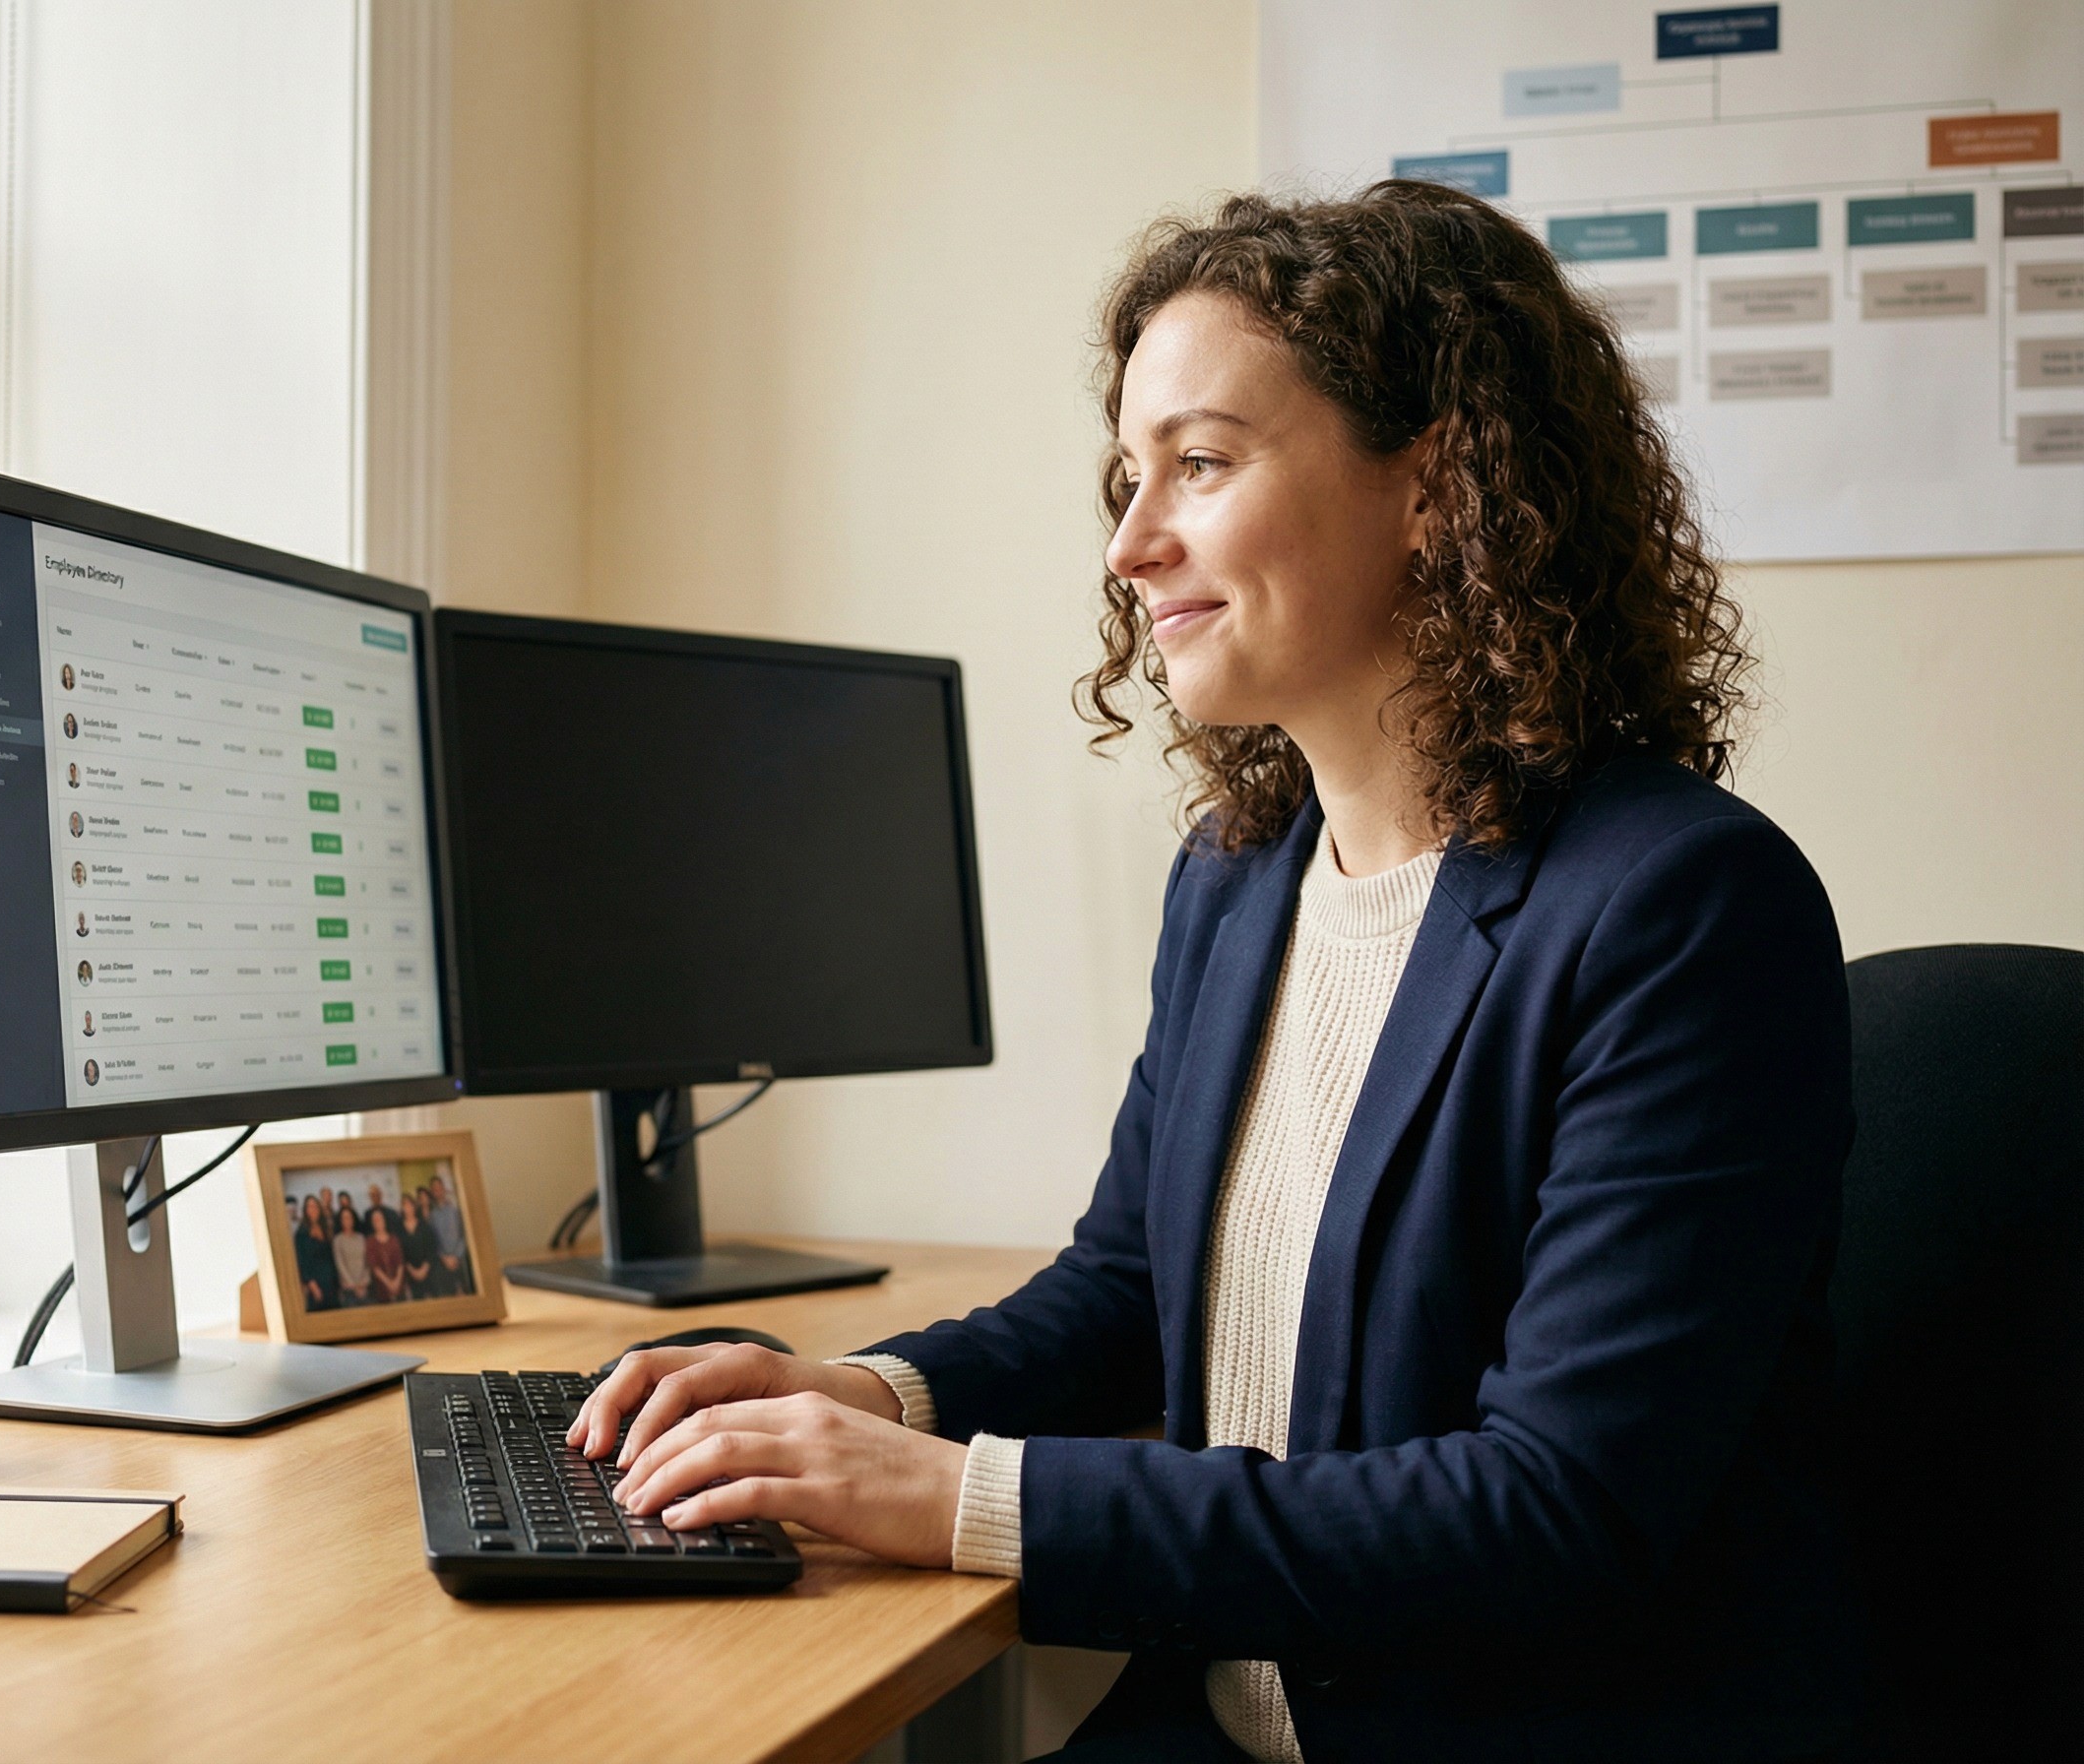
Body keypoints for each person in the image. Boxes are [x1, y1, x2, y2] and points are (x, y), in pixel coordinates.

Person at [571, 183, 1856, 1761]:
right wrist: (858, 1395)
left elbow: (1548, 1509)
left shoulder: (1683, 907)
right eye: (1127, 477)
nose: (1130, 542)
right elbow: (1126, 1294)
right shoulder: (1238, 882)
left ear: (1436, 481)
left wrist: (962, 1500)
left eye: (1198, 461)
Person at [425, 1178, 470, 1295]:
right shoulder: (432, 1216)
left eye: (439, 1188)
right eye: (434, 1189)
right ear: (432, 1192)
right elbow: (434, 1241)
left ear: (444, 1189)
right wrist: (444, 1258)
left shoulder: (455, 1210)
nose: (437, 1191)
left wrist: (456, 1256)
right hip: (443, 1262)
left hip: (460, 1260)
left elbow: (464, 1234)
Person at [294, 1195, 336, 1312]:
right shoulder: (301, 1233)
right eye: (309, 1207)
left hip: (330, 1280)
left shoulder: (326, 1229)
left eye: (315, 1206)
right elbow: (302, 1262)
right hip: (315, 1284)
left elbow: (331, 1257)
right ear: (305, 1210)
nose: (313, 1209)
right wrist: (313, 1286)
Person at [399, 1188, 438, 1300]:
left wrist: (424, 1269)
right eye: (404, 1205)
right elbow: (400, 1253)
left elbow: (431, 1248)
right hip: (411, 1275)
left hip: (428, 1272)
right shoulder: (399, 1228)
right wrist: (412, 1270)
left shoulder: (424, 1225)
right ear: (402, 1208)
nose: (408, 1208)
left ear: (414, 1206)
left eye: (410, 1204)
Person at [331, 1199, 369, 1306]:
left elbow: (367, 1261)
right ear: (341, 1220)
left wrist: (363, 1282)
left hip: (364, 1286)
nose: (347, 1220)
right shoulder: (338, 1240)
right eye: (344, 1218)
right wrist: (354, 1286)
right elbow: (340, 1264)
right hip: (348, 1288)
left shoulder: (361, 1237)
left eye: (349, 1217)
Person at [366, 1207, 407, 1304]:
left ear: (384, 1220)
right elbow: (375, 1267)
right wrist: (389, 1284)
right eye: (375, 1220)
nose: (378, 1222)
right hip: (382, 1290)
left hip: (399, 1286)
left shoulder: (394, 1239)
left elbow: (400, 1262)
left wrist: (396, 1282)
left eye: (379, 1219)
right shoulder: (370, 1241)